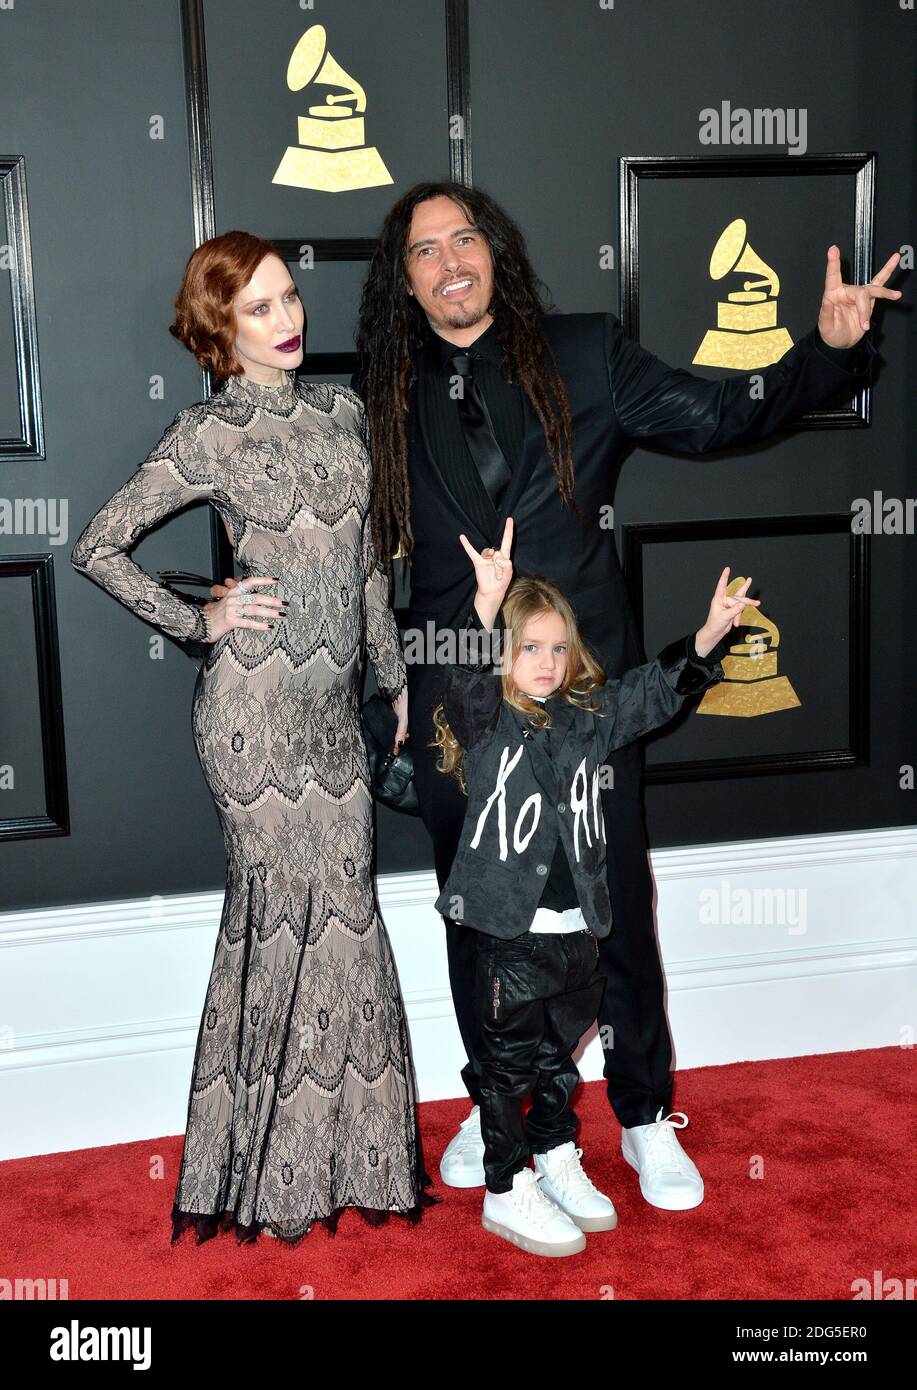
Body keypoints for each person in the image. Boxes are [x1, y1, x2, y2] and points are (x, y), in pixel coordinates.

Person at [346, 180, 902, 1208]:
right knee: (479, 915)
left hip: (584, 690)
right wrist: (382, 688)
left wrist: (824, 352)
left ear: (494, 253)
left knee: (612, 912)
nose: (449, 260)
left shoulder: (587, 351)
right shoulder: (383, 391)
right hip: (452, 705)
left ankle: (642, 1111)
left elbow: (717, 417)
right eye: (424, 250)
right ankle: (500, 1100)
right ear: (404, 278)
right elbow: (371, 556)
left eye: (463, 237)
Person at [70, 230, 436, 1244]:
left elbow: (366, 565)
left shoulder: (343, 411)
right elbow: (97, 544)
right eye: (261, 309)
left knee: (348, 917)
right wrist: (202, 618)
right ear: (218, 330)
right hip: (251, 717)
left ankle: (346, 1159)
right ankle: (266, 1177)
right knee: (278, 920)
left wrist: (394, 677)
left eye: (289, 299)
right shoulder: (207, 435)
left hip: (331, 715)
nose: (288, 321)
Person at [431, 517, 755, 1255]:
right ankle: (507, 1186)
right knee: (505, 1066)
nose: (544, 662)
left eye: (555, 648)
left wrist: (706, 637)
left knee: (554, 1063)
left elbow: (650, 694)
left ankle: (554, 1155)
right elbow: (465, 683)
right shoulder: (487, 726)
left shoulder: (587, 718)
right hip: (506, 936)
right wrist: (484, 609)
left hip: (579, 934)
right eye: (527, 648)